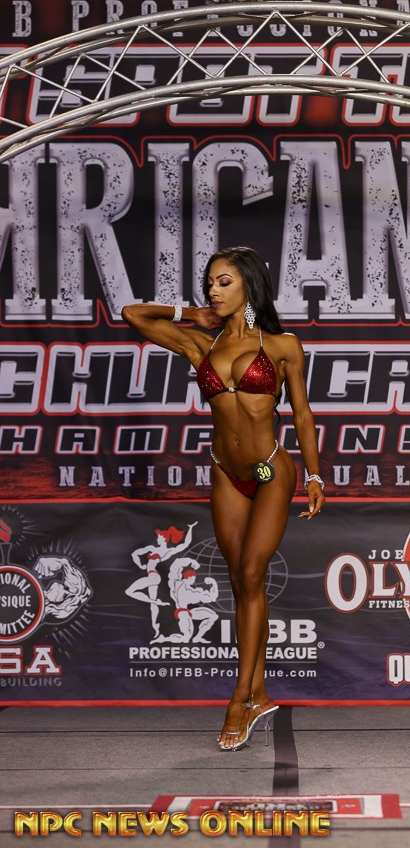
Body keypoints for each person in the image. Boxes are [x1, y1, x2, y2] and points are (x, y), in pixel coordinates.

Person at [122, 246, 325, 751]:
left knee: (253, 574)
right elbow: (133, 315)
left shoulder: (282, 345)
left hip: (270, 469)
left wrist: (316, 476)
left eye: (224, 281)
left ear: (249, 285)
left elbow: (302, 414)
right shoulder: (201, 346)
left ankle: (239, 699)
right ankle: (259, 693)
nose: (213, 289)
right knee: (239, 580)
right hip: (225, 472)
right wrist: (191, 313)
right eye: (210, 282)